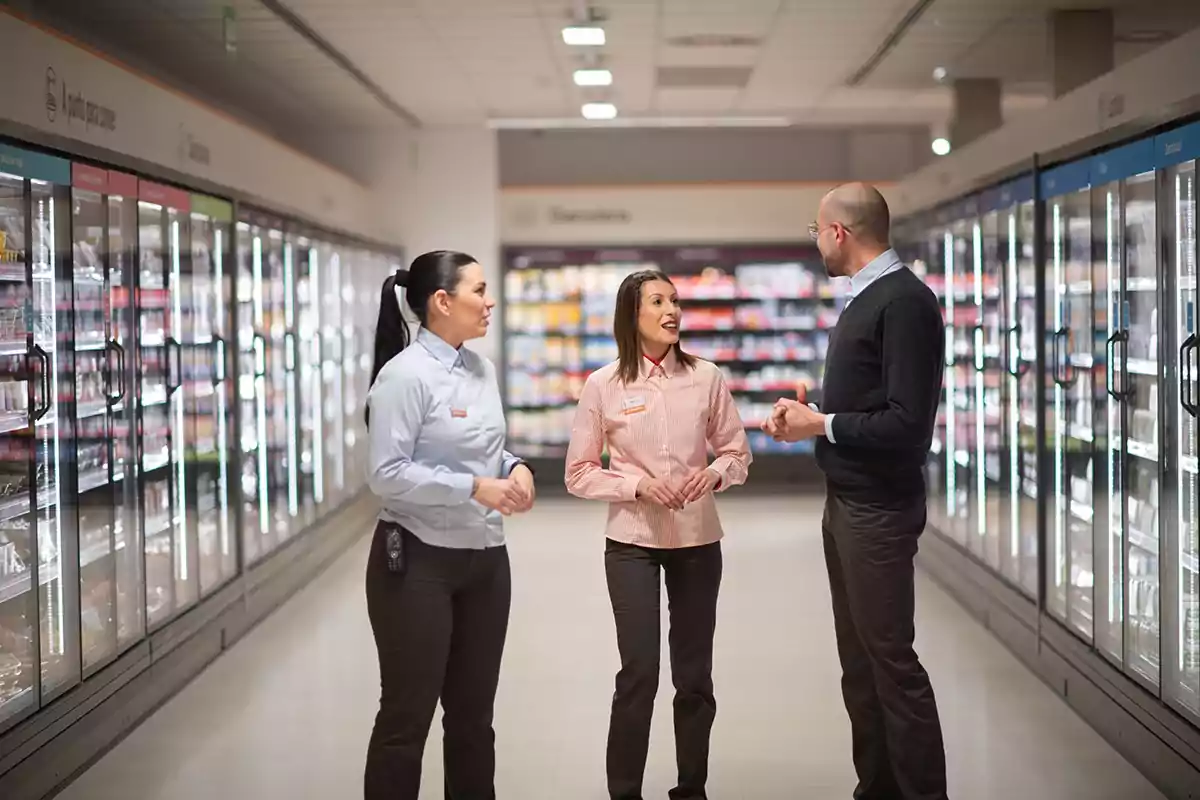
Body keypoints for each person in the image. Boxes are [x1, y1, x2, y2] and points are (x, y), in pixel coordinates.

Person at [763, 183, 949, 800]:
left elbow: (905, 423)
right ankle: (878, 788)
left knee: (891, 665)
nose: (814, 240)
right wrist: (812, 413)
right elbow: (869, 404)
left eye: (816, 230)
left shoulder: (905, 304)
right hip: (847, 503)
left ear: (839, 233)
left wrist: (820, 424)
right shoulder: (866, 300)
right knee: (861, 668)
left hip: (878, 510)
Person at [565, 269, 752, 800]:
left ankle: (691, 788)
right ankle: (624, 791)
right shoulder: (603, 385)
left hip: (697, 540)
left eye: (674, 300)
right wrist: (638, 485)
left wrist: (714, 473)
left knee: (694, 676)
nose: (672, 310)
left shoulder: (706, 377)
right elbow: (577, 473)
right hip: (631, 544)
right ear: (633, 315)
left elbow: (738, 453)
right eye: (657, 301)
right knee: (639, 672)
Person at [363, 250, 536, 800]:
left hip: (485, 560)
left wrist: (515, 467)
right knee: (406, 717)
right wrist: (473, 487)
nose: (489, 302)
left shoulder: (479, 369)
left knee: (472, 719)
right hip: (417, 562)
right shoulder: (403, 376)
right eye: (479, 291)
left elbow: (486, 448)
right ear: (442, 301)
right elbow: (386, 475)